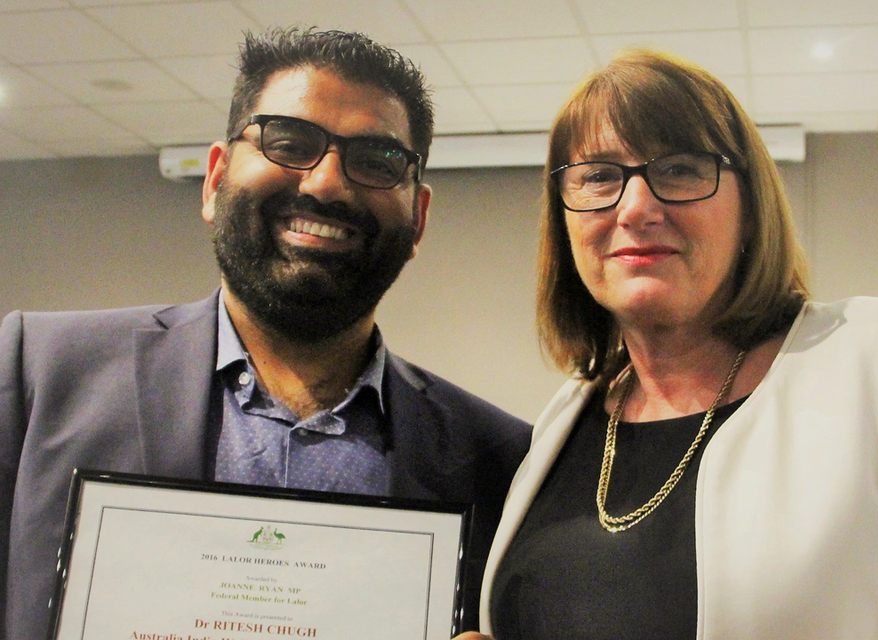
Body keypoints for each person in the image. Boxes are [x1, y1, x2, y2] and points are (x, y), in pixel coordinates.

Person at [0, 28, 530, 639]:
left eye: (378, 161)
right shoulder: (39, 372)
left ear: (419, 220)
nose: (327, 183)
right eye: (289, 141)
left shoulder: (500, 459)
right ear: (214, 179)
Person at [471, 49, 878, 639]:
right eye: (599, 176)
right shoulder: (562, 425)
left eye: (678, 169)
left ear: (750, 208)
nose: (636, 208)